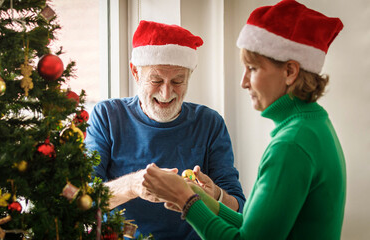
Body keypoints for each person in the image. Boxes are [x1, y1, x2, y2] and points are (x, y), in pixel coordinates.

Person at [142, 0, 346, 239]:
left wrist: (186, 201)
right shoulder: (313, 126)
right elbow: (256, 228)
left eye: (252, 68)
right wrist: (206, 202)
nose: (243, 82)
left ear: (290, 72)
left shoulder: (291, 145)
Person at [85, 20, 246, 239]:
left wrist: (215, 195)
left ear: (189, 76)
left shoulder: (209, 122)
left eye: (178, 81)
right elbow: (83, 198)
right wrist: (133, 185)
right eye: (156, 79)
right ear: (135, 72)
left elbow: (237, 207)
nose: (166, 93)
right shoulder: (107, 116)